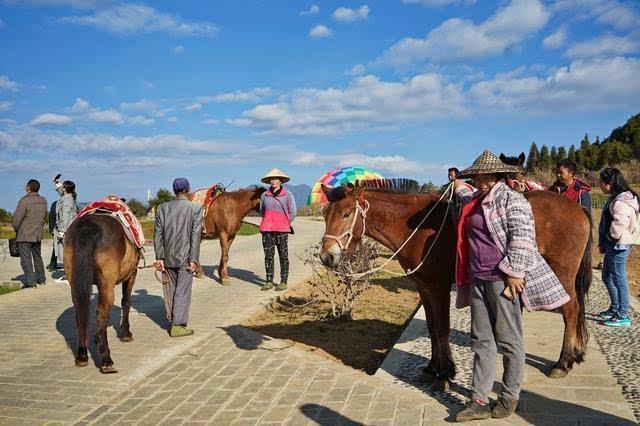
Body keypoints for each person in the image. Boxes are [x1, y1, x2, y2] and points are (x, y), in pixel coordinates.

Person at [452, 150, 570, 422]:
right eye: (477, 177)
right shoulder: (476, 199)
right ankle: (479, 400)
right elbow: (465, 194)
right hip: (478, 278)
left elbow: (523, 237)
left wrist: (515, 273)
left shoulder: (512, 199)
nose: (482, 182)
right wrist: (457, 184)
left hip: (501, 279)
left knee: (508, 340)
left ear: (498, 175)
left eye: (487, 177)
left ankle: (509, 396)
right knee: (481, 339)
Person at [154, 177, 203, 338]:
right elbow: (195, 235)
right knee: (182, 291)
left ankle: (172, 318)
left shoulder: (162, 208)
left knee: (169, 289)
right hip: (186, 257)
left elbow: (158, 233)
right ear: (188, 190)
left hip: (167, 257)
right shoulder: (195, 209)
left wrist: (159, 257)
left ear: (174, 191)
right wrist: (194, 260)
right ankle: (177, 325)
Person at [597, 168, 639, 327]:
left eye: (601, 182)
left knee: (619, 279)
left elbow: (621, 223)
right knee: (607, 276)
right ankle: (615, 308)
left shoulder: (621, 201)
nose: (599, 185)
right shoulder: (616, 198)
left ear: (610, 183)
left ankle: (623, 315)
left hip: (618, 245)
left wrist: (610, 237)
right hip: (613, 244)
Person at [259, 168, 296, 291]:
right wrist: (267, 221)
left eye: (276, 179)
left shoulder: (288, 195)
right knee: (268, 257)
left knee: (283, 256)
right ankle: (269, 281)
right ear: (269, 181)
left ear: (280, 181)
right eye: (272, 179)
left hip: (282, 230)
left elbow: (293, 212)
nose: (274, 181)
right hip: (267, 230)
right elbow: (262, 211)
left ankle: (283, 281)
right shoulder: (264, 195)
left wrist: (285, 222)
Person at [12, 179, 48, 289]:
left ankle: (31, 281)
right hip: (37, 234)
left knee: (26, 259)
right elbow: (43, 217)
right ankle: (41, 279)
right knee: (38, 257)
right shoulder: (43, 200)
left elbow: (17, 219)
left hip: (24, 234)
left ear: (28, 188)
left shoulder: (24, 201)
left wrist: (16, 229)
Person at [54, 180, 78, 283]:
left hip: (66, 229)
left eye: (63, 187)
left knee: (67, 253)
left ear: (65, 189)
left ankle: (70, 276)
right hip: (68, 229)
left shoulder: (67, 200)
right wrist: (58, 184)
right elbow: (62, 193)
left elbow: (65, 216)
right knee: (68, 253)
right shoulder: (68, 197)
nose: (62, 189)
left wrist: (62, 231)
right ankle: (69, 274)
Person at [47, 200, 58, 271]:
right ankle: (53, 263)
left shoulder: (55, 203)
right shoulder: (55, 203)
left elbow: (51, 217)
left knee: (56, 246)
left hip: (58, 228)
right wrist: (51, 229)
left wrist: (51, 229)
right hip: (58, 228)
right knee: (56, 246)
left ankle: (53, 264)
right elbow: (51, 217)